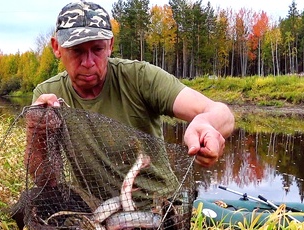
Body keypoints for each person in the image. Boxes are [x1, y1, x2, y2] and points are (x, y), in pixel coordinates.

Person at [27, 0, 234, 172]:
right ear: (57, 47)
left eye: (97, 49)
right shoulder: (47, 95)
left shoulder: (140, 77)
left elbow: (221, 112)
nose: (88, 62)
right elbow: (44, 179)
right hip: (94, 211)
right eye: (77, 51)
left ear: (111, 45)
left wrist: (206, 124)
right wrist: (35, 132)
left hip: (157, 207)